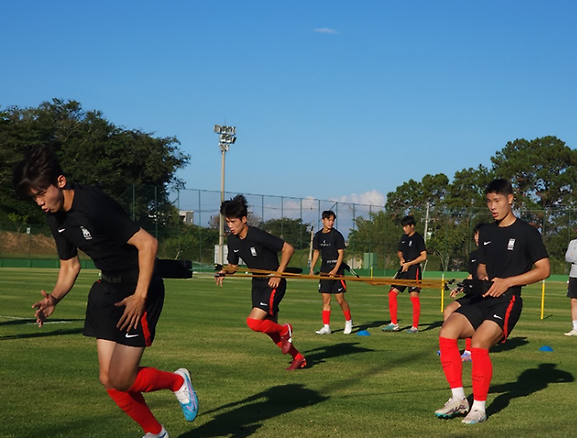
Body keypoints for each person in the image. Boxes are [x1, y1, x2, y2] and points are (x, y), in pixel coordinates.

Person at [12, 146, 197, 438]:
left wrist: (139, 296)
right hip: (106, 290)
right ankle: (156, 433)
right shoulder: (55, 217)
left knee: (122, 377)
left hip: (138, 289)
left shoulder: (94, 205)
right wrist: (54, 299)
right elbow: (70, 266)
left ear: (60, 182)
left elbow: (148, 244)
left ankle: (177, 381)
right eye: (33, 197)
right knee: (109, 380)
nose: (39, 203)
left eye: (40, 193)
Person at [435, 179, 550, 425]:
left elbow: (544, 270)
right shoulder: (486, 231)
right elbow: (482, 266)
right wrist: (482, 276)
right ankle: (458, 399)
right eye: (489, 201)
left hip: (506, 301)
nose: (492, 206)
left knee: (478, 344)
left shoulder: (527, 232)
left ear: (511, 199)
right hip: (481, 298)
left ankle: (479, 408)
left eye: (497, 201)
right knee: (447, 332)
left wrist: (508, 282)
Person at [218, 194, 307, 370]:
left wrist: (278, 274)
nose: (230, 226)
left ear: (244, 219)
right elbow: (233, 266)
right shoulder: (232, 240)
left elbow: (288, 249)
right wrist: (224, 271)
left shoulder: (257, 235)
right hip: (257, 284)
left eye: (233, 222)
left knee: (254, 322)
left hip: (274, 283)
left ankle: (285, 330)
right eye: (227, 222)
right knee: (271, 329)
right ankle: (299, 358)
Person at [442, 223, 487, 362]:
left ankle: (469, 351)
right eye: (476, 234)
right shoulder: (473, 255)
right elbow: (470, 276)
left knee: (468, 315)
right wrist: (459, 287)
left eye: (480, 235)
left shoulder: (490, 255)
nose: (477, 238)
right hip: (470, 294)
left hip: (481, 296)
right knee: (448, 310)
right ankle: (450, 347)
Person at [309, 211, 353, 335]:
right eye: (329, 220)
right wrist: (312, 268)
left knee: (340, 300)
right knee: (326, 300)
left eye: (332, 220)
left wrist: (335, 270)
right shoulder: (318, 236)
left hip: (337, 271)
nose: (331, 222)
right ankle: (326, 327)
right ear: (323, 220)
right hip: (324, 272)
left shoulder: (337, 235)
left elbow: (341, 254)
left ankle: (349, 321)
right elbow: (316, 252)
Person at [382, 215, 427, 334]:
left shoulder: (418, 238)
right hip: (403, 270)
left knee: (414, 297)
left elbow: (423, 256)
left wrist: (410, 264)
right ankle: (394, 323)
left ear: (412, 226)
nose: (404, 229)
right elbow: (399, 252)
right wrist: (401, 259)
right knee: (392, 294)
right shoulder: (403, 238)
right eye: (403, 227)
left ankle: (414, 327)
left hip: (413, 271)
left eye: (406, 226)